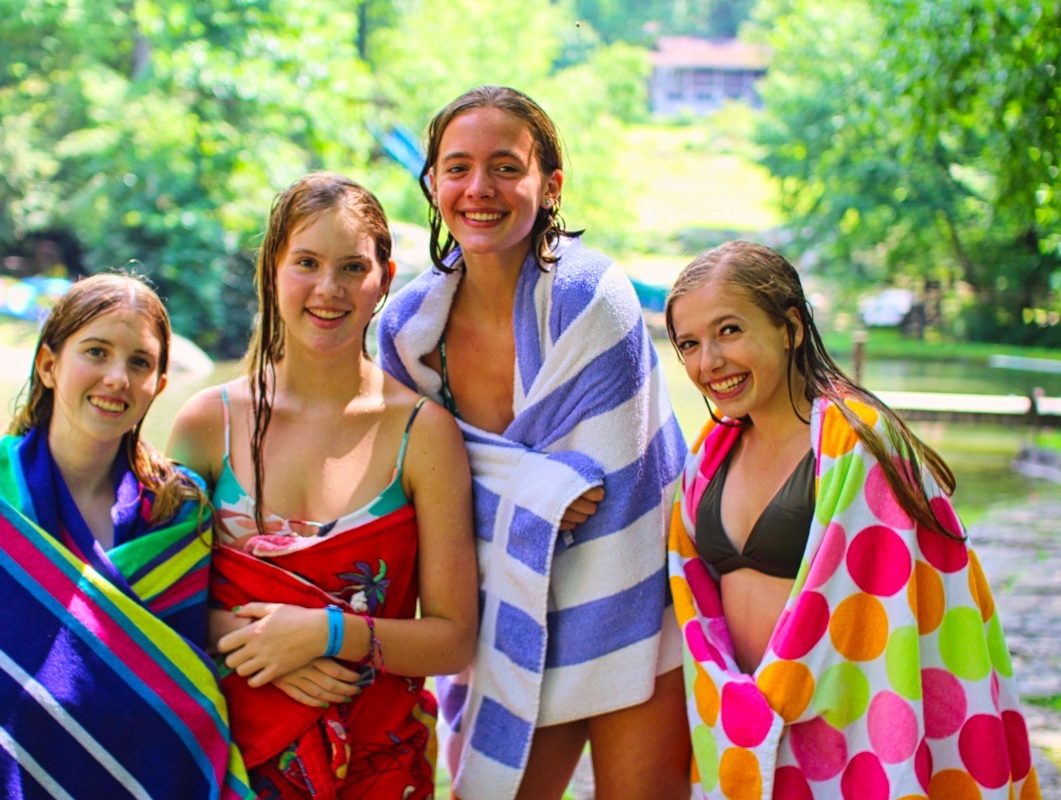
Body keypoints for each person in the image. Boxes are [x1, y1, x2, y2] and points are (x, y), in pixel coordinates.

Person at [378, 85, 691, 800]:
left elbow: (599, 489)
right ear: (432, 184)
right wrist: (530, 485)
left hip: (629, 595)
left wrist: (475, 479)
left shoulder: (592, 296)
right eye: (456, 168)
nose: (479, 189)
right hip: (502, 615)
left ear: (549, 185)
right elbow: (411, 485)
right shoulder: (404, 329)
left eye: (505, 167)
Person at [664, 240, 1041, 799]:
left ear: (790, 328)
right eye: (689, 344)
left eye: (729, 331)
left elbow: (896, 614)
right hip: (745, 729)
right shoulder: (711, 453)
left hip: (848, 726)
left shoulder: (858, 444)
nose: (708, 362)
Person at [0, 274, 254, 800]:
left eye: (139, 363)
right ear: (49, 365)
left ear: (159, 386)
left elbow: (178, 695)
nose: (117, 377)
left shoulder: (178, 514)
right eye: (96, 352)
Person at [167, 172, 477, 799]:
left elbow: (453, 639)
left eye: (352, 268)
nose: (328, 289)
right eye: (306, 262)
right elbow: (157, 605)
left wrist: (326, 633)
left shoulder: (423, 433)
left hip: (378, 769)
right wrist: (253, 637)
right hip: (225, 766)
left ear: (384, 281)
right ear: (273, 269)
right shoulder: (207, 425)